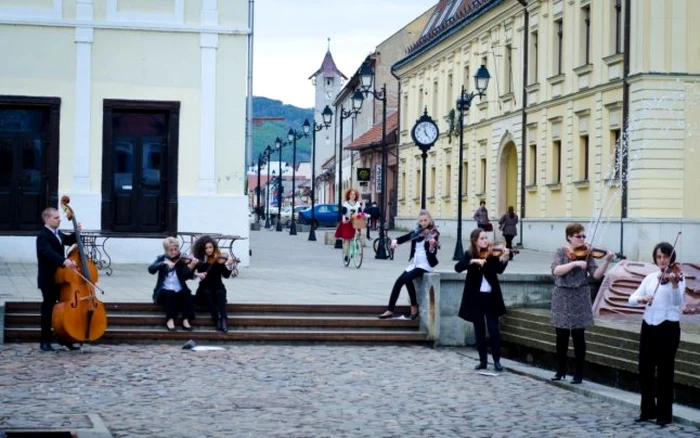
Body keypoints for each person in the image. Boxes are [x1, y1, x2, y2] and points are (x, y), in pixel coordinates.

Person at [627, 242, 698, 427]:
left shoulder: (678, 278)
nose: (662, 260)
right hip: (648, 326)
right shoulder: (650, 278)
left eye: (665, 256)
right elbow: (631, 299)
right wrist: (642, 298)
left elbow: (676, 303)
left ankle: (664, 415)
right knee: (645, 370)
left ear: (671, 258)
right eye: (659, 257)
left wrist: (674, 284)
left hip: (668, 328)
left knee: (665, 373)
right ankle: (647, 411)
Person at [550, 223, 613, 384]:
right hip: (562, 295)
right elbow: (556, 270)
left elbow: (596, 275)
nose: (582, 239)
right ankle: (560, 370)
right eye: (579, 236)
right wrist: (575, 264)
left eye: (583, 236)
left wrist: (607, 262)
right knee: (561, 336)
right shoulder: (560, 252)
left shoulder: (587, 253)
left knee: (579, 337)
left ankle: (579, 374)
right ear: (569, 237)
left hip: (580, 295)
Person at [455, 228, 510, 371]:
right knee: (479, 330)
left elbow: (499, 270)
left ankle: (497, 361)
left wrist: (504, 259)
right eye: (482, 238)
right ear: (475, 241)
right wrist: (473, 261)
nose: (486, 240)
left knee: (493, 329)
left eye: (486, 238)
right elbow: (458, 267)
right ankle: (483, 361)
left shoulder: (491, 254)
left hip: (490, 297)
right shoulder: (469, 254)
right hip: (476, 298)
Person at [378, 210, 439, 320]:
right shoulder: (417, 231)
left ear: (429, 220)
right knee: (398, 282)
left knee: (406, 278)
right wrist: (395, 241)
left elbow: (433, 252)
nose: (424, 222)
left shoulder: (433, 232)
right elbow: (406, 237)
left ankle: (414, 306)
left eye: (425, 220)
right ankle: (390, 310)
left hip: (425, 265)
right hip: (415, 263)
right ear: (418, 221)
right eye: (421, 221)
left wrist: (432, 246)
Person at [36, 207, 81, 352]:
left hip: (61, 278)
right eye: (56, 218)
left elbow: (67, 240)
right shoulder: (42, 235)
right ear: (47, 219)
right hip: (48, 278)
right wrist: (64, 261)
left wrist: (76, 233)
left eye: (59, 217)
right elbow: (47, 252)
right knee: (48, 310)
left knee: (63, 311)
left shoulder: (58, 233)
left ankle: (64, 338)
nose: (59, 219)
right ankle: (45, 341)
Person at [148, 237, 198, 331]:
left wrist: (191, 266)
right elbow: (151, 269)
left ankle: (186, 320)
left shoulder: (182, 259)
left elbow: (184, 277)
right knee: (170, 293)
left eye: (176, 249)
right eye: (171, 250)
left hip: (179, 291)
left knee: (187, 293)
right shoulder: (162, 258)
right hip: (163, 292)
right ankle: (170, 320)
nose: (174, 252)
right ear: (166, 250)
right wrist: (163, 263)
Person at [192, 235, 235, 333]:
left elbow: (226, 275)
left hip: (217, 289)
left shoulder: (218, 260)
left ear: (214, 247)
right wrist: (199, 271)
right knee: (207, 292)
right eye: (206, 248)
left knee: (221, 292)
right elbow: (191, 273)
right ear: (202, 249)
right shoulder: (200, 261)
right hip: (204, 291)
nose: (208, 250)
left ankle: (223, 320)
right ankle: (216, 319)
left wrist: (229, 265)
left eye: (210, 247)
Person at [334, 188, 363, 263]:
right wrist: (344, 219)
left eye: (354, 194)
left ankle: (356, 246)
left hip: (356, 221)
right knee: (347, 240)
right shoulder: (346, 204)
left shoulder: (358, 204)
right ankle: (346, 255)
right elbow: (343, 213)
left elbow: (360, 212)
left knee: (357, 236)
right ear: (349, 195)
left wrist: (364, 215)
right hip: (348, 221)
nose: (353, 195)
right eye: (351, 194)